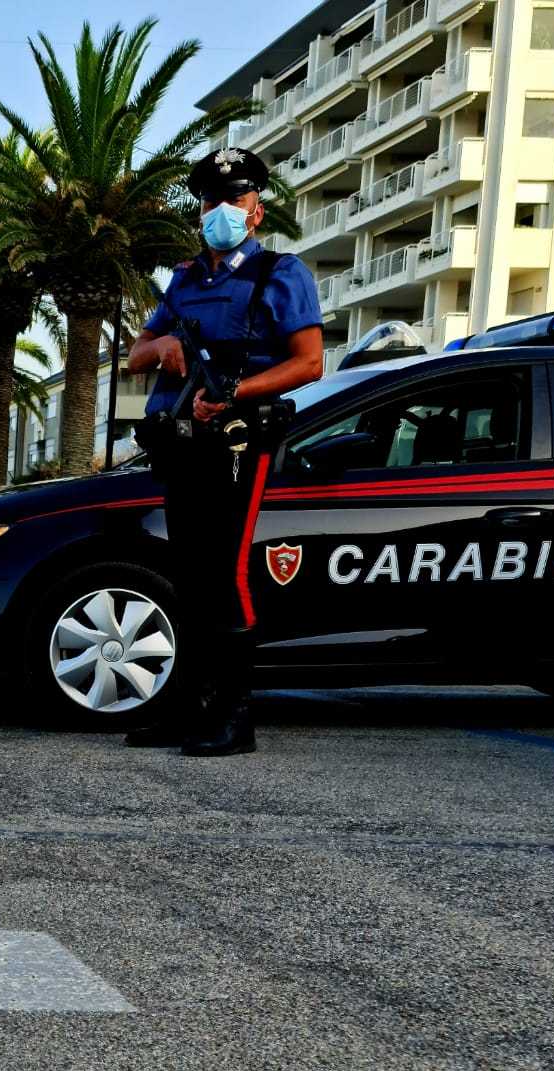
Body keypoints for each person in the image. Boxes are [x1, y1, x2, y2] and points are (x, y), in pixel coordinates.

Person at [124, 146, 323, 756]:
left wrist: (234, 392)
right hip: (184, 444)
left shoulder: (279, 274)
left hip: (240, 442)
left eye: (234, 201)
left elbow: (309, 363)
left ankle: (235, 717)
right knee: (187, 576)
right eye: (211, 201)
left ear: (255, 211)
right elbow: (136, 354)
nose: (221, 212)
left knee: (226, 573)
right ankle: (190, 706)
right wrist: (163, 352)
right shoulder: (185, 280)